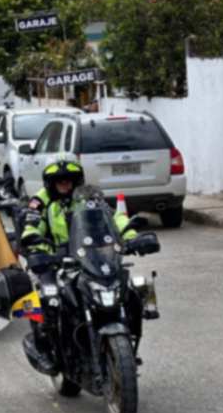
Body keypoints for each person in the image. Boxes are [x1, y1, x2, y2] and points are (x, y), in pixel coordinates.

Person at [20, 159, 136, 373]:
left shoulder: (89, 197)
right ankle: (45, 349)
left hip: (89, 258)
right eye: (60, 182)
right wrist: (33, 241)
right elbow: (31, 224)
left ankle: (128, 335)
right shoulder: (41, 201)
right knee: (48, 298)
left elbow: (113, 217)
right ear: (51, 184)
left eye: (69, 181)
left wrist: (129, 234)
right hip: (55, 261)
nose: (65, 185)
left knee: (130, 289)